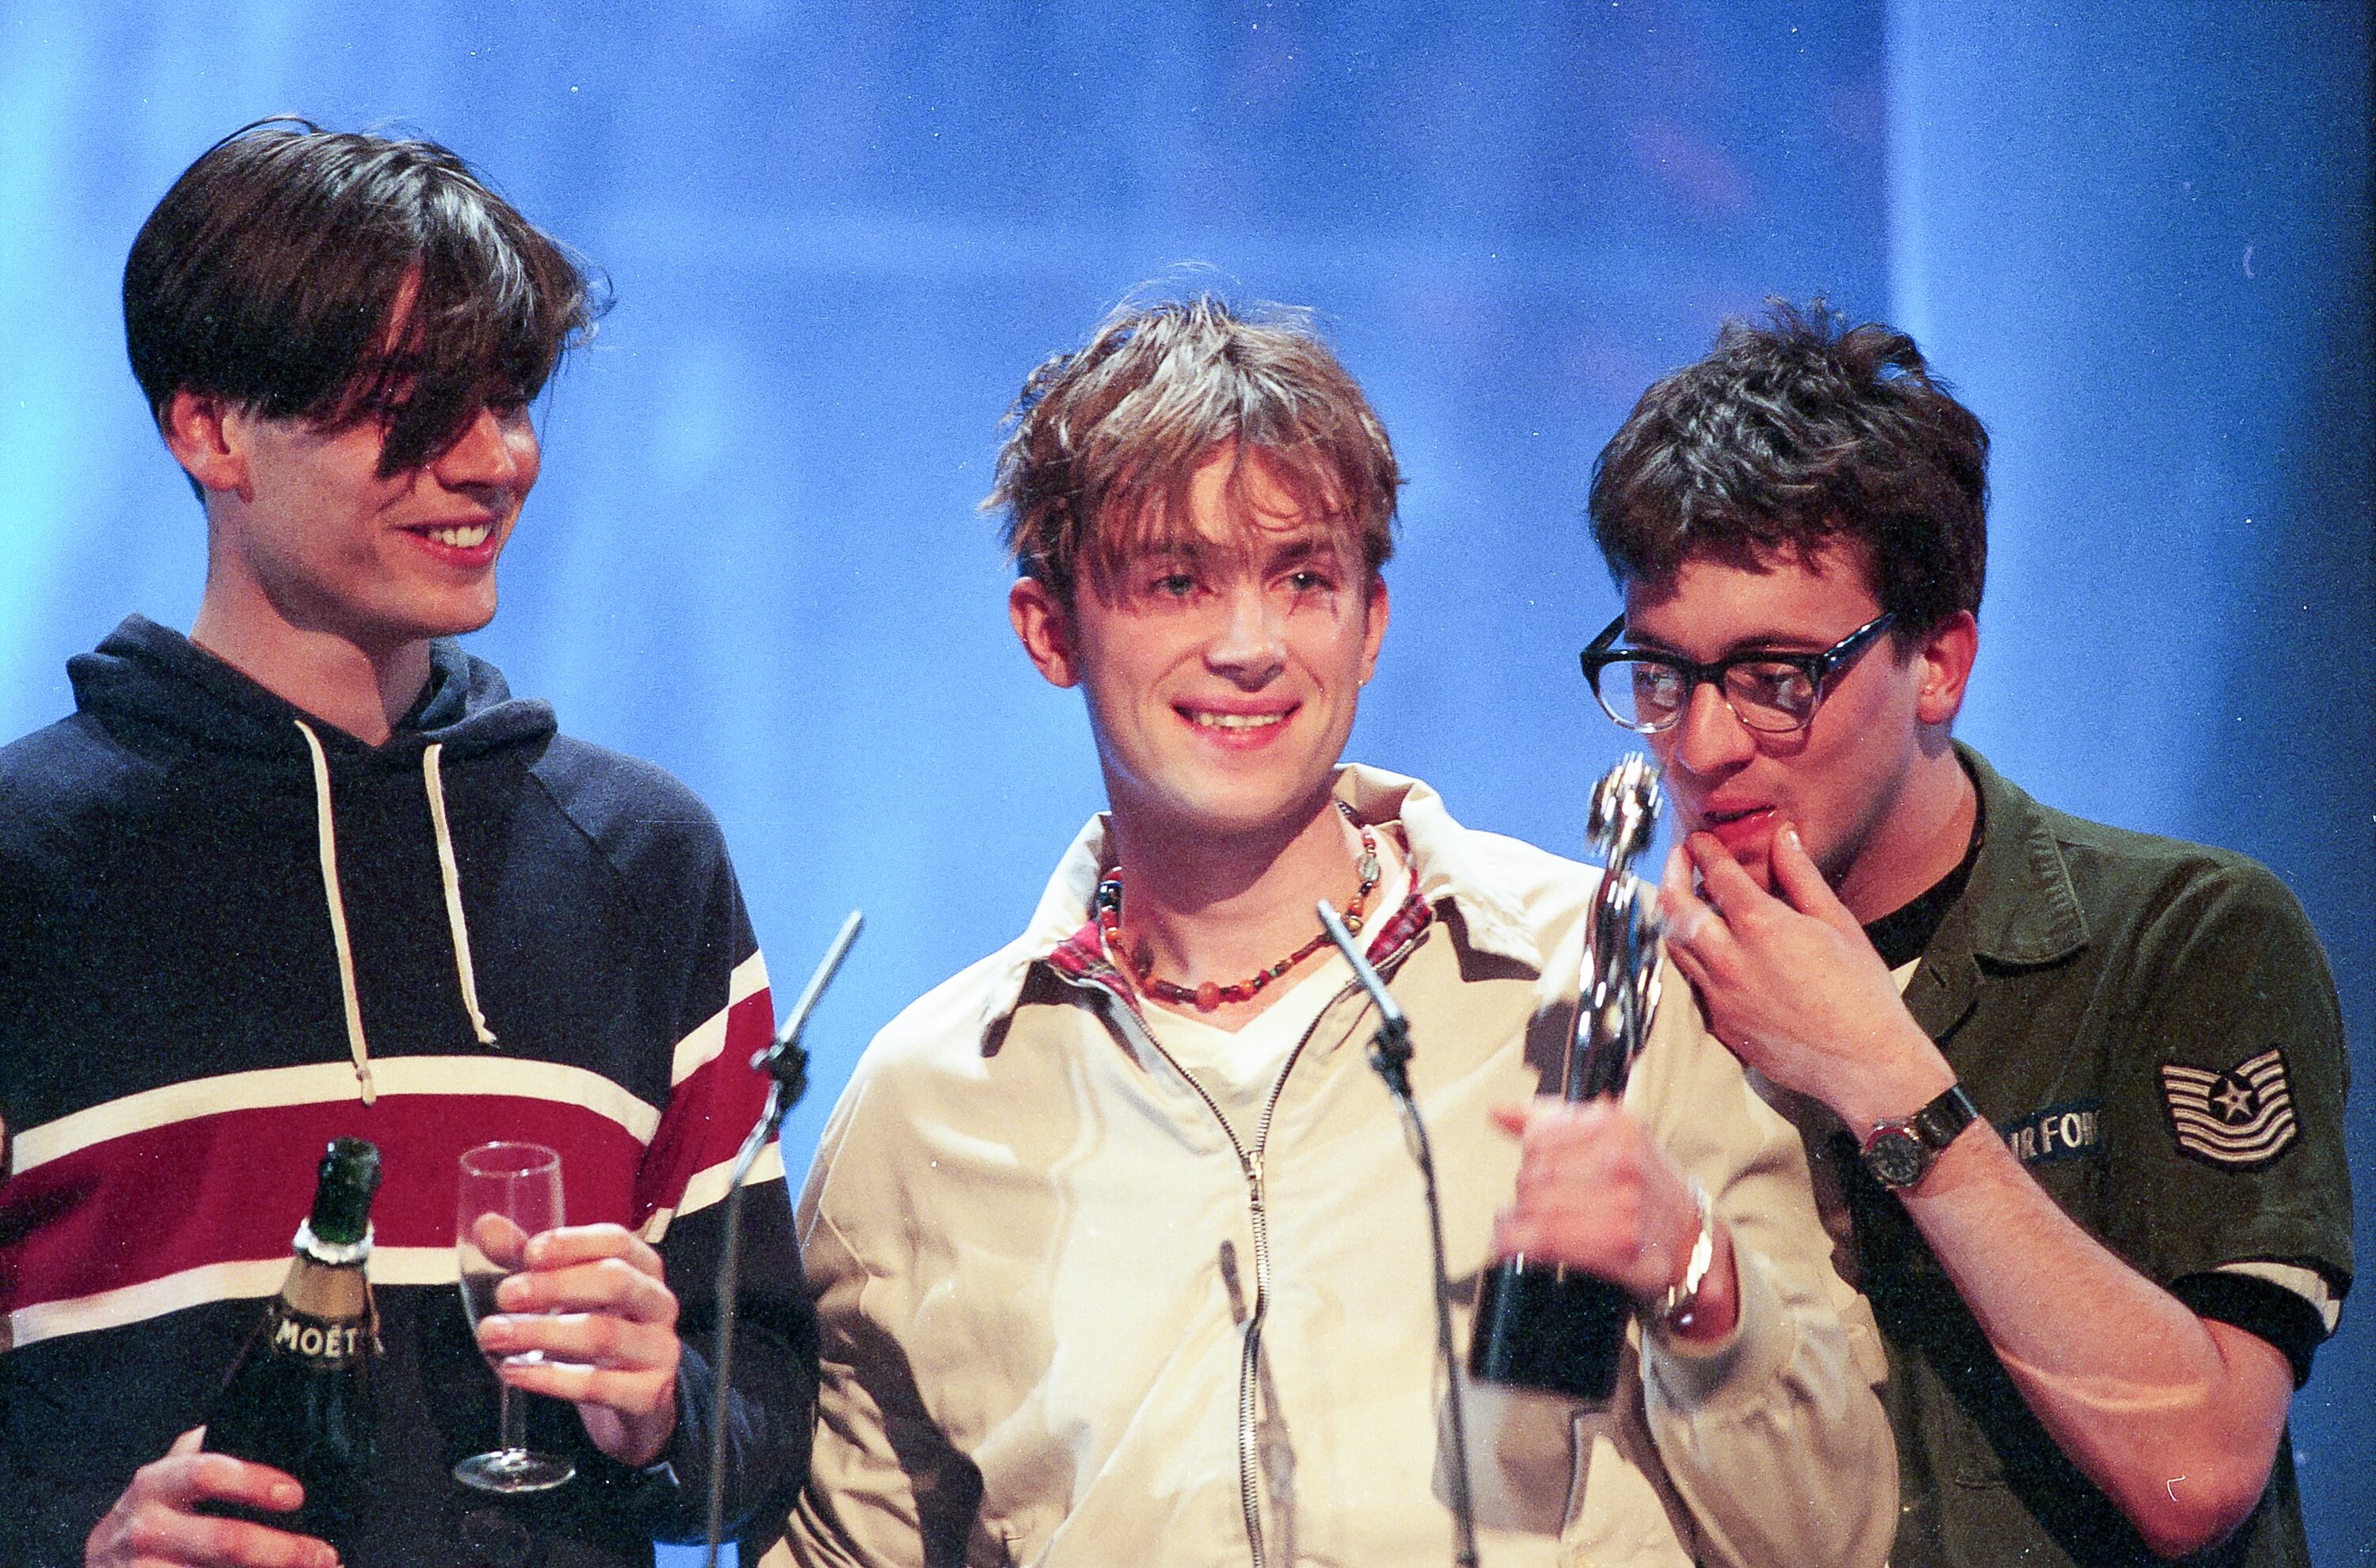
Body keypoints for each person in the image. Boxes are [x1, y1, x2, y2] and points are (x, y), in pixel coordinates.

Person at [769, 295, 1894, 1568]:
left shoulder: (1610, 987)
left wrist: (1700, 1279)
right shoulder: (928, 1108)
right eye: (1176, 581)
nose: (1249, 646)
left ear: (1371, 625)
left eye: (1302, 579)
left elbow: (1839, 1540)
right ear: (1050, 632)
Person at [0, 120, 813, 1568]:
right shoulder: (28, 868)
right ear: (209, 427)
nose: (492, 460)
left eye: (507, 400)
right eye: (412, 404)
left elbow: (757, 1441)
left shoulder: (645, 861)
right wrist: (80, 1548)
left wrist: (659, 1409)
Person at [1581, 302, 2352, 1566]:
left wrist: (1881, 1076)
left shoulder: (2182, 938)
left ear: (1938, 661)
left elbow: (2199, 1466)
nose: (1704, 746)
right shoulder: (1620, 1001)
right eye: (1664, 676)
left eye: (1779, 678)